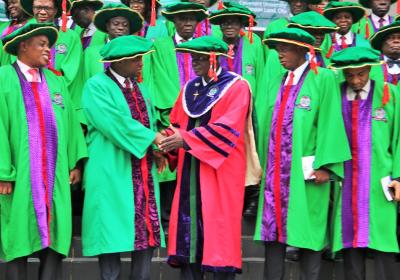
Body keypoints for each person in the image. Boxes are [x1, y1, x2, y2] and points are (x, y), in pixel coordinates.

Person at [160, 35, 260, 280]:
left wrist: (187, 139)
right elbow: (176, 124)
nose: (194, 62)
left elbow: (229, 128)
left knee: (218, 232)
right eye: (193, 57)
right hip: (191, 172)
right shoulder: (190, 88)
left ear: (215, 59)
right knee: (189, 233)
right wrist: (163, 141)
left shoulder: (237, 86)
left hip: (220, 171)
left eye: (200, 58)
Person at [254, 27, 351, 280]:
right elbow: (266, 125)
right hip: (276, 174)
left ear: (302, 51)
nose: (279, 54)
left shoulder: (323, 79)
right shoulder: (277, 80)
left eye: (285, 49)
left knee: (309, 232)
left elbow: (331, 122)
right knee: (272, 234)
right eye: (278, 49)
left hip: (306, 174)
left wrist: (326, 166)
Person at [0, 22, 87, 280]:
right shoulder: (4, 77)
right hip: (21, 174)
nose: (48, 49)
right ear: (23, 46)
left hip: (55, 174)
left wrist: (75, 163)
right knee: (18, 235)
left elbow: (70, 122)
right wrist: (4, 171)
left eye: (49, 44)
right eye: (42, 44)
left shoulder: (54, 80)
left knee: (56, 234)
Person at [81, 35, 165, 280]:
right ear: (118, 61)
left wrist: (157, 149)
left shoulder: (141, 88)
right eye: (135, 58)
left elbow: (149, 121)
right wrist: (152, 139)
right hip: (110, 168)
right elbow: (113, 123)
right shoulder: (96, 85)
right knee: (110, 230)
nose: (141, 63)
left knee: (146, 230)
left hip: (142, 168)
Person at [329, 46, 400, 280]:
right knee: (350, 240)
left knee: (383, 240)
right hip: (346, 180)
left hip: (380, 180)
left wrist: (398, 177)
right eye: (349, 75)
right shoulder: (336, 96)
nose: (356, 80)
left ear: (369, 69)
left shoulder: (389, 94)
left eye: (361, 74)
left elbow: (398, 138)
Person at [21, 0, 83, 90]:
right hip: (28, 92)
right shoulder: (23, 36)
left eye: (47, 8)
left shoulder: (71, 37)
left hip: (58, 94)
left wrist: (47, 89)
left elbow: (70, 72)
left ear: (56, 10)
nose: (42, 12)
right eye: (38, 8)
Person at [82, 3, 143, 81]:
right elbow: (85, 81)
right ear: (107, 26)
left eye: (125, 25)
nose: (120, 28)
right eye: (116, 24)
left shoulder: (138, 54)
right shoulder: (91, 53)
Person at [0, 0, 31, 65]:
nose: (10, 6)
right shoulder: (3, 27)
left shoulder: (36, 25)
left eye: (13, 2)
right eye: (8, 4)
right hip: (4, 73)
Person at [370, 21, 400, 87]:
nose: (396, 41)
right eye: (390, 38)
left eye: (399, 38)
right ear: (381, 44)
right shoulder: (370, 66)